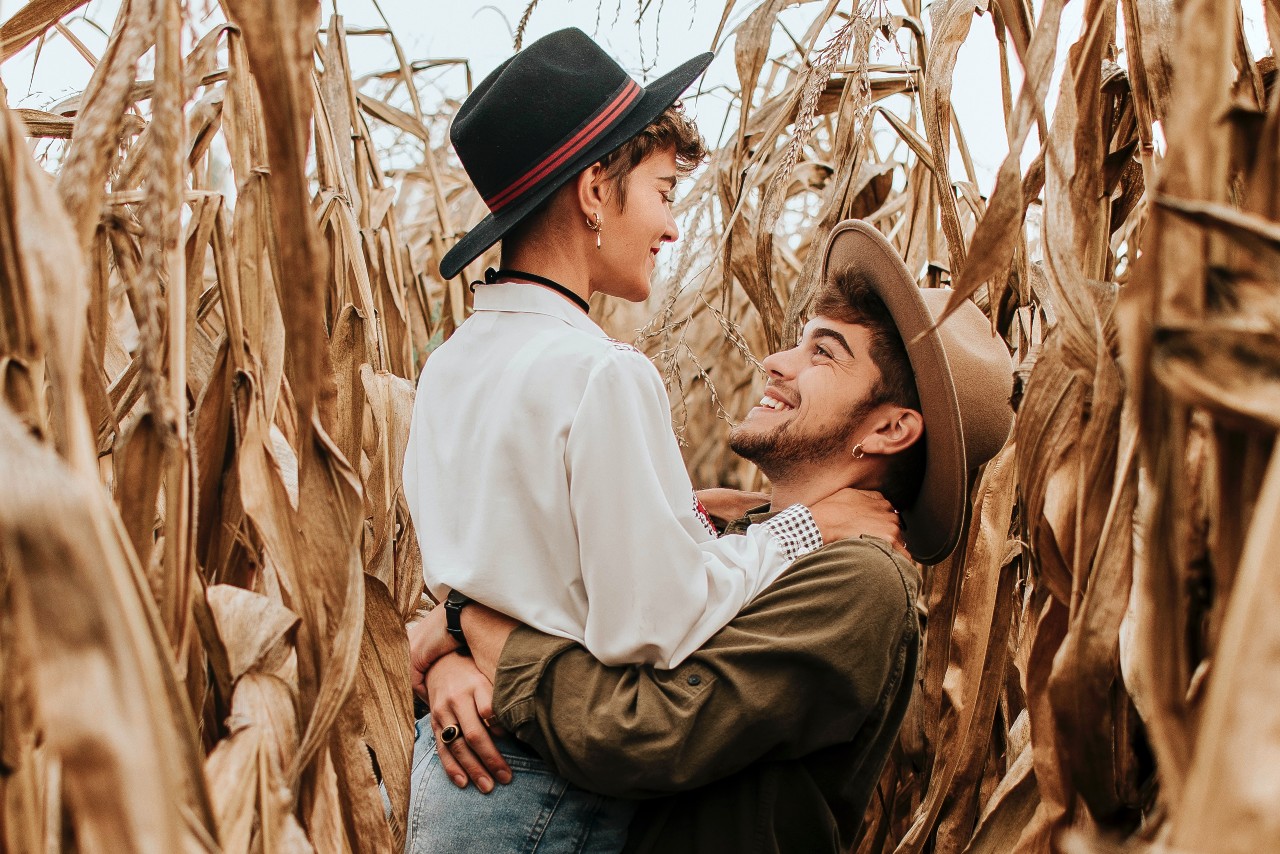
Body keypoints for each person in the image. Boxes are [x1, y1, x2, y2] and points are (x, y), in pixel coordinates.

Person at [400, 30, 901, 853]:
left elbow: (503, 568)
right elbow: (656, 624)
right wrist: (802, 531)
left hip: (451, 770)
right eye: (664, 191)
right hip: (543, 791)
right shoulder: (603, 376)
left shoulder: (449, 368)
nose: (671, 227)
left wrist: (689, 520)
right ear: (595, 191)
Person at [412, 219, 1016, 853]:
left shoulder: (859, 582)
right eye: (797, 342)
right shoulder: (752, 537)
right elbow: (576, 607)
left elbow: (645, 731)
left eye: (823, 352)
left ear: (892, 429)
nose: (776, 363)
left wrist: (472, 627)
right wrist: (453, 665)